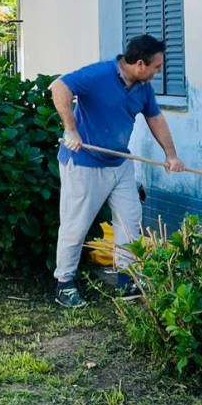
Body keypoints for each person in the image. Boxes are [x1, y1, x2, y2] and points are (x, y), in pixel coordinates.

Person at [49, 34, 186, 308]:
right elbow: (59, 87)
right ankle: (64, 284)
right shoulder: (98, 75)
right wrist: (70, 129)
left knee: (130, 222)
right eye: (156, 67)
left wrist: (171, 155)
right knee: (76, 226)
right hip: (85, 163)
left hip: (120, 163)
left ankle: (127, 281)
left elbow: (155, 118)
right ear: (139, 64)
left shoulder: (143, 88)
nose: (158, 72)